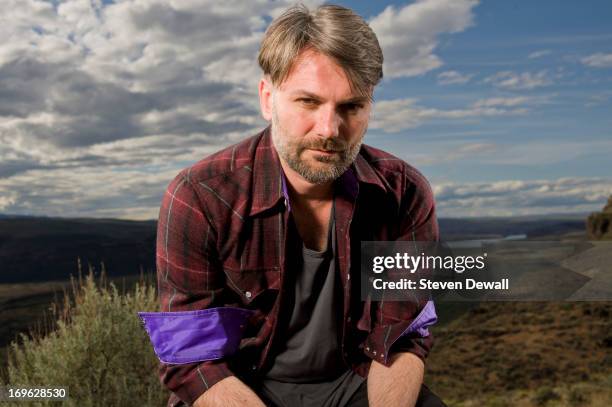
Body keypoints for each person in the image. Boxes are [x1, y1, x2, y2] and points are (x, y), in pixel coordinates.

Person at [150, 4, 445, 407]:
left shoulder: (404, 192)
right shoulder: (199, 196)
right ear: (267, 98)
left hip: (356, 382)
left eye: (351, 107)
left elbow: (400, 335)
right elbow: (191, 360)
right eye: (308, 101)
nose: (329, 130)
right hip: (240, 389)